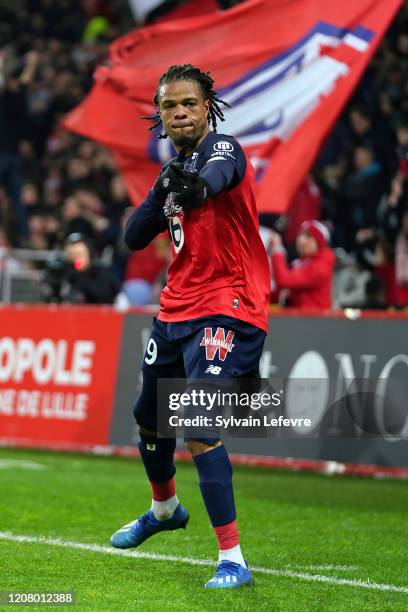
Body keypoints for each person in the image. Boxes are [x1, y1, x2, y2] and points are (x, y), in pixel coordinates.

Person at [110, 64, 270, 588]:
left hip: (229, 304)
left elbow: (213, 182)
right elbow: (135, 236)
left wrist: (193, 186)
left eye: (189, 104)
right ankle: (164, 511)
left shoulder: (223, 149)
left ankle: (234, 559)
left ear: (207, 109)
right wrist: (161, 195)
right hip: (177, 308)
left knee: (199, 423)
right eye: (169, 106)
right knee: (149, 419)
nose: (180, 112)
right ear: (159, 115)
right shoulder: (169, 173)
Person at [270, 220, 335, 309]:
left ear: (319, 243)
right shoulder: (299, 264)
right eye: (301, 234)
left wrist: (277, 248)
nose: (301, 240)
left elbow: (284, 280)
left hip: (313, 321)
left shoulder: (320, 267)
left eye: (308, 236)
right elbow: (278, 295)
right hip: (298, 319)